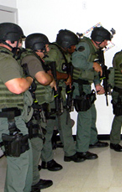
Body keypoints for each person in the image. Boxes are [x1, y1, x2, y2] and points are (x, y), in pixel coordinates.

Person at [0, 22, 42, 192]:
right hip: (8, 119)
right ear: (10, 40)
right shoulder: (6, 59)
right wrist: (29, 79)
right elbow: (17, 87)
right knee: (19, 160)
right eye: (18, 40)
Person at [41, 29, 85, 171]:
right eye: (72, 46)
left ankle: (70, 153)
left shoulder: (62, 53)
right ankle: (47, 159)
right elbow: (47, 72)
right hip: (50, 95)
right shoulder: (53, 52)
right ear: (66, 44)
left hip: (59, 93)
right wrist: (65, 76)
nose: (74, 49)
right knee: (47, 128)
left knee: (65, 123)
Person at [22, 33, 56, 192]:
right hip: (34, 108)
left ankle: (34, 179)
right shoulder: (32, 59)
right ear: (39, 47)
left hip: (36, 107)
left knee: (36, 143)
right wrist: (51, 78)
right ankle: (30, 183)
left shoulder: (31, 58)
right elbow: (43, 80)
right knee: (35, 145)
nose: (48, 48)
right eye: (46, 46)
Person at [71, 26, 110, 160]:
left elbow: (95, 68)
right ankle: (82, 150)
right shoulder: (85, 46)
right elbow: (76, 61)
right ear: (98, 40)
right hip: (79, 86)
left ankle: (92, 140)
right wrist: (92, 65)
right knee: (85, 118)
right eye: (105, 41)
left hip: (86, 86)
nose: (106, 44)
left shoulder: (94, 49)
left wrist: (97, 83)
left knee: (91, 114)